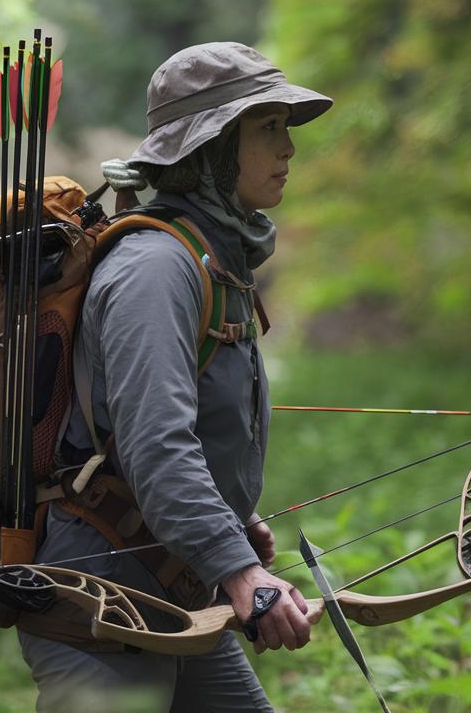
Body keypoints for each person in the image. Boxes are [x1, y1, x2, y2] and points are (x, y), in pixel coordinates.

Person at [17, 42, 334, 711]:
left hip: (173, 589)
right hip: (103, 606)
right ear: (212, 147)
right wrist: (242, 573)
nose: (288, 149)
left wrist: (229, 522)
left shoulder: (210, 257)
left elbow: (186, 420)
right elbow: (156, 446)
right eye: (267, 128)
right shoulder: (157, 269)